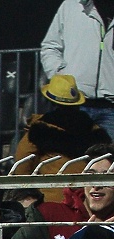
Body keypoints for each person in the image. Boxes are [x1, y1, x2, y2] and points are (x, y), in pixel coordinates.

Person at [42, 0, 114, 139]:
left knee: (107, 159)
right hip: (73, 104)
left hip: (111, 108)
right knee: (73, 157)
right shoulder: (71, 6)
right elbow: (50, 46)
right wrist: (60, 74)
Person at [14, 74, 111, 176]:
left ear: (49, 101)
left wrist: (23, 190)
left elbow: (23, 162)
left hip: (51, 190)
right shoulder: (95, 132)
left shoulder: (38, 131)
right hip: (88, 189)